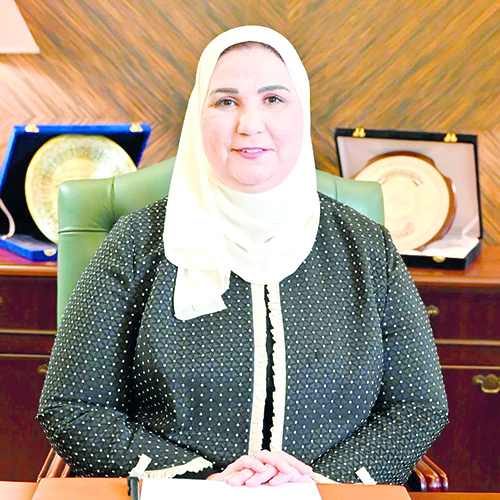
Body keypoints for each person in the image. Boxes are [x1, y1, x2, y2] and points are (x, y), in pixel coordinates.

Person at [37, 26, 448, 486]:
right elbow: (71, 406)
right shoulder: (136, 241)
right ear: (198, 116)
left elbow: (418, 406)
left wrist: (321, 483)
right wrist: (200, 482)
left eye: (273, 99)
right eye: (225, 101)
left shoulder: (366, 247)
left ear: (301, 112)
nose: (249, 123)